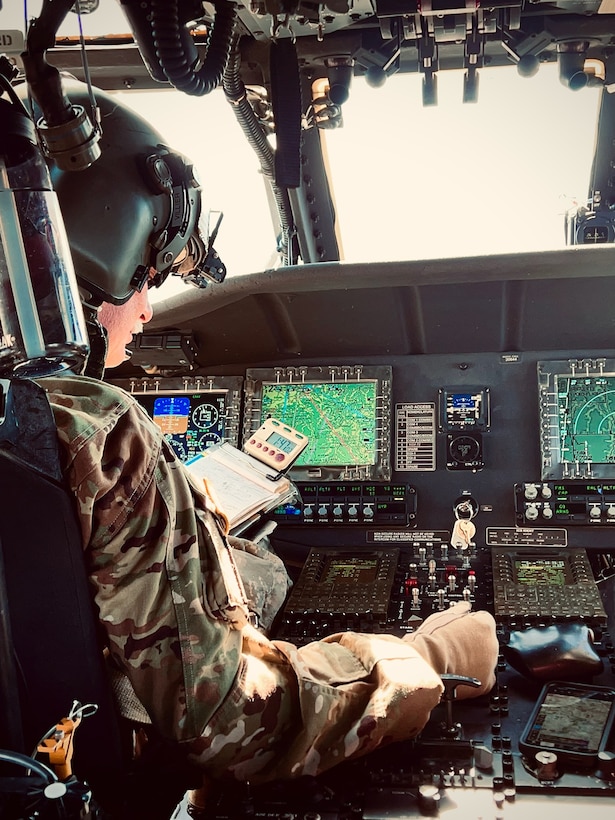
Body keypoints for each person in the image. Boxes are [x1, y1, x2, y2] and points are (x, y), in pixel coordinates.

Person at [28, 79, 499, 788]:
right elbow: (231, 722)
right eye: (147, 278)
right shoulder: (96, 429)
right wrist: (426, 657)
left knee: (259, 570)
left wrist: (197, 527)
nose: (150, 310)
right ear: (96, 259)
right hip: (76, 775)